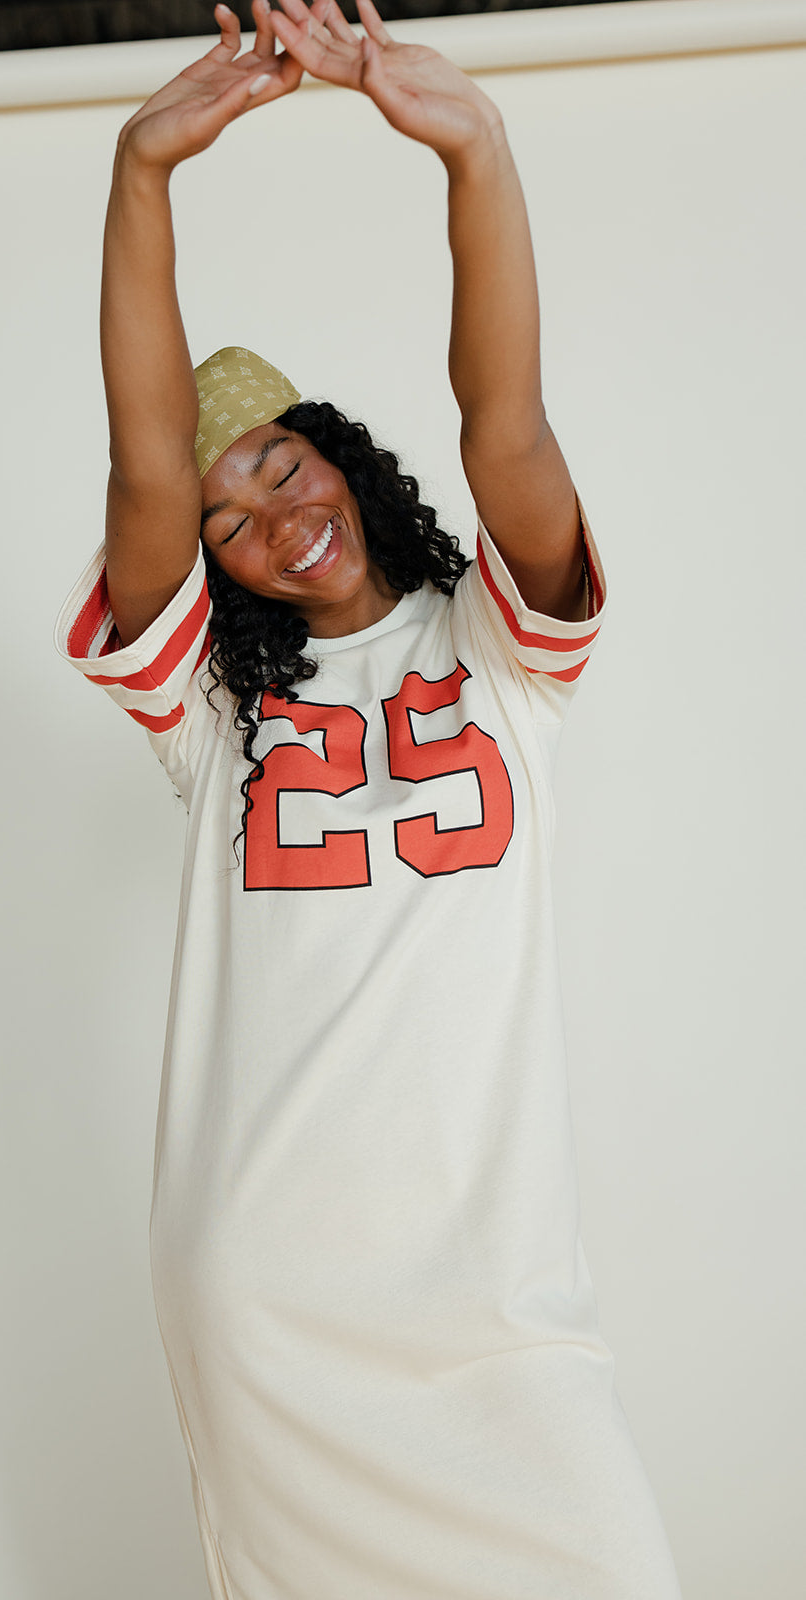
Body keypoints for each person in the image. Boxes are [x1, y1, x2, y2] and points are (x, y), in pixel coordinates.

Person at [56, 2, 683, 1596]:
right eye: (229, 518)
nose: (273, 516)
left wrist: (473, 149)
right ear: (209, 566)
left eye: (279, 464)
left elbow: (508, 422)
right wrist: (144, 171)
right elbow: (142, 473)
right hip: (272, 1287)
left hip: (494, 1290)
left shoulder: (504, 648)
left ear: (334, 452)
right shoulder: (212, 709)